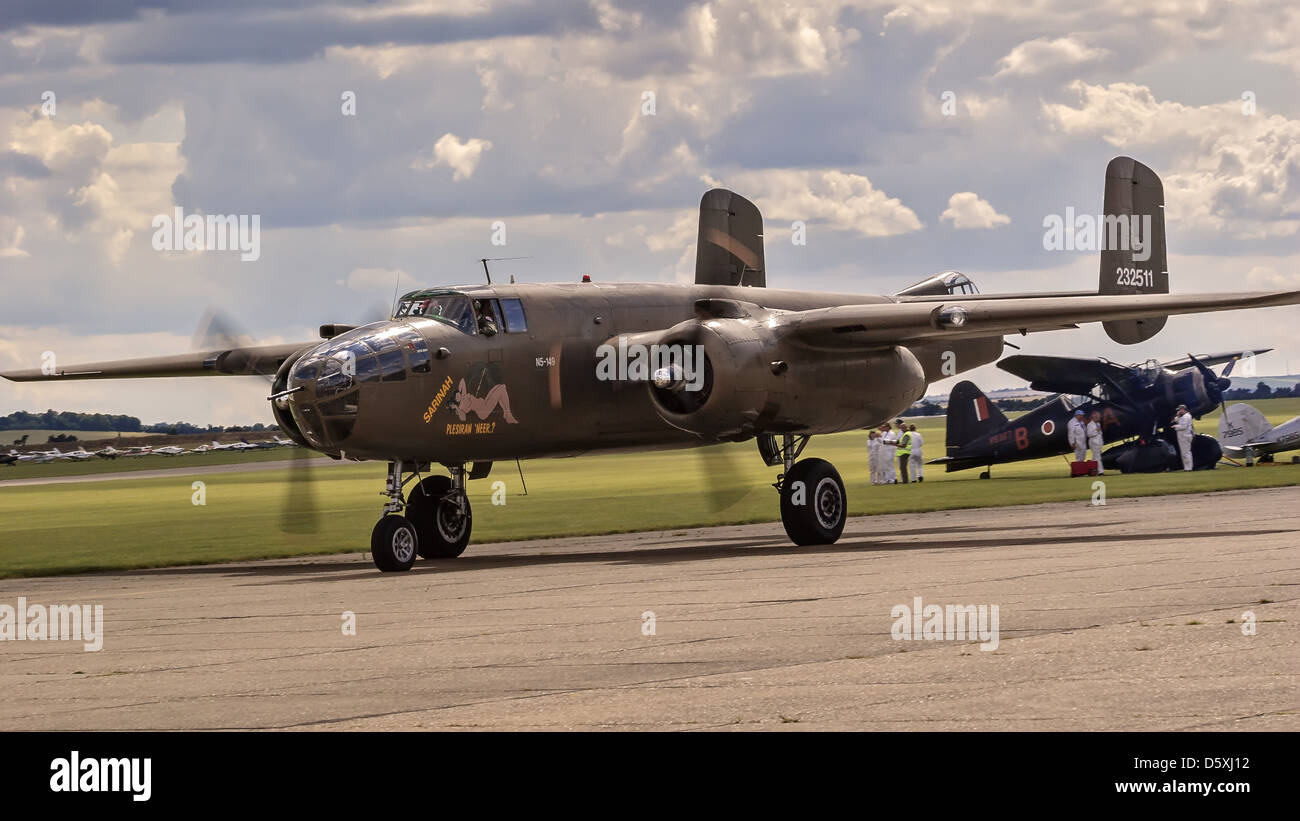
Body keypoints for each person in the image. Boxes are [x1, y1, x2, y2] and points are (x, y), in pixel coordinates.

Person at [1172, 404, 1194, 471]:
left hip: (1185, 436)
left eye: (1179, 410)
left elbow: (1183, 427)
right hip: (1184, 436)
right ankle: (1187, 467)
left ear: (1183, 409)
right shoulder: (1185, 416)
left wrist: (1175, 426)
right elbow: (1177, 420)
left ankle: (1188, 468)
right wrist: (1178, 416)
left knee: (1186, 453)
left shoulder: (1186, 417)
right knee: (1185, 452)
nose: (1179, 411)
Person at [1086, 410, 1105, 475]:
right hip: (1094, 442)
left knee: (1095, 457)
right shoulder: (1090, 425)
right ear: (1094, 417)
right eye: (1098, 417)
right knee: (1097, 457)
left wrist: (1101, 442)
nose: (1099, 418)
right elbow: (1089, 434)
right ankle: (1100, 471)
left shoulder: (1098, 424)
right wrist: (1096, 431)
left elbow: (1100, 433)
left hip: (1099, 442)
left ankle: (1092, 470)